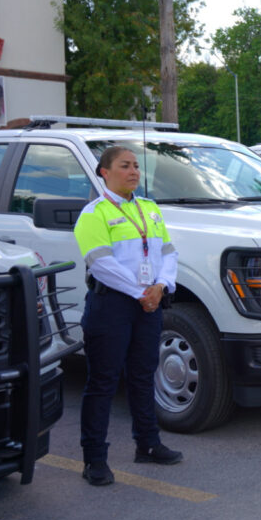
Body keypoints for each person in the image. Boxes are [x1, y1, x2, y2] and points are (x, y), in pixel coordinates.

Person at [73, 146, 181, 485]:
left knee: (142, 375)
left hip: (148, 304)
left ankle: (147, 445)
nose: (134, 171)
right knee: (102, 382)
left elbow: (169, 252)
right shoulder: (95, 213)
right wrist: (141, 292)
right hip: (113, 306)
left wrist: (161, 285)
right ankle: (94, 460)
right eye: (125, 166)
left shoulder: (149, 209)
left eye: (136, 166)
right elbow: (101, 263)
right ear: (105, 172)